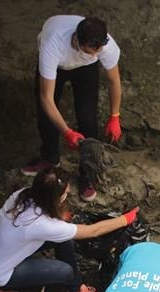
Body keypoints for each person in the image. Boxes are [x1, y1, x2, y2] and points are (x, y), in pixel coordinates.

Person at [0, 166, 137, 292]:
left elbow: (53, 225)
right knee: (66, 271)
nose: (68, 194)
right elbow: (93, 231)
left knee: (64, 236)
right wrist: (125, 219)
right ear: (55, 197)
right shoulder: (41, 225)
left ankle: (76, 289)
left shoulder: (22, 195)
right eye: (65, 193)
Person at [22, 15, 124, 203]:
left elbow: (113, 80)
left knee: (87, 116)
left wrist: (114, 116)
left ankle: (88, 172)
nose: (94, 55)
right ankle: (50, 158)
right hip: (59, 65)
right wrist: (67, 132)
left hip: (85, 70)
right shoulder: (53, 44)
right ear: (76, 39)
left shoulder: (104, 46)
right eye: (88, 51)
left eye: (97, 52)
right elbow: (47, 98)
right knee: (46, 114)